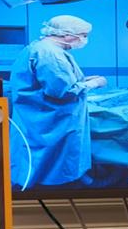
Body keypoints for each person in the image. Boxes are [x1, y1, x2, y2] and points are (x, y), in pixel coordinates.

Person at [9, 14, 106, 186]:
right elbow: (62, 91)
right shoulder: (51, 54)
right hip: (51, 121)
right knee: (52, 162)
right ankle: (55, 188)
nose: (84, 39)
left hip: (39, 117)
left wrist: (82, 80)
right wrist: (94, 84)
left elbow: (54, 81)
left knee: (41, 161)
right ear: (68, 34)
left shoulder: (39, 48)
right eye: (83, 35)